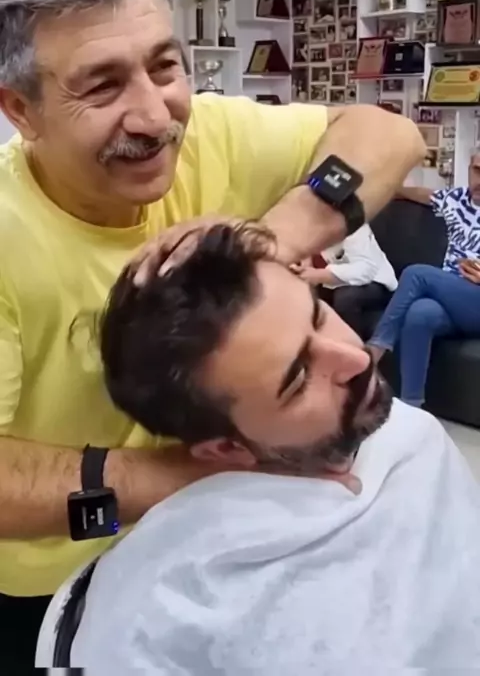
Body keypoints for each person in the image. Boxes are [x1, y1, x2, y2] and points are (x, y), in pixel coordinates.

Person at [0, 0, 424, 669]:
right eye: (101, 85)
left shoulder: (211, 134)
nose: (154, 115)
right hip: (50, 577)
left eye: (165, 67)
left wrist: (279, 234)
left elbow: (388, 134)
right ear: (20, 109)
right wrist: (190, 476)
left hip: (215, 539)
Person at [68, 223, 480, 672]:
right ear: (225, 448)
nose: (357, 358)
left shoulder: (413, 435)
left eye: (319, 316)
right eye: (299, 379)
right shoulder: (167, 607)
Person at [368, 147, 480, 407]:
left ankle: (375, 350)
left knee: (416, 274)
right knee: (420, 313)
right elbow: (411, 193)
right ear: (469, 170)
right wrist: (380, 186)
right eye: (477, 171)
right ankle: (412, 406)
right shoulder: (455, 200)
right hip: (453, 298)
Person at [293, 223, 397, 339]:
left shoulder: (354, 226)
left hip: (376, 281)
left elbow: (366, 269)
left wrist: (322, 275)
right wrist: (305, 261)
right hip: (331, 281)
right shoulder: (306, 222)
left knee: (345, 298)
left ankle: (354, 345)